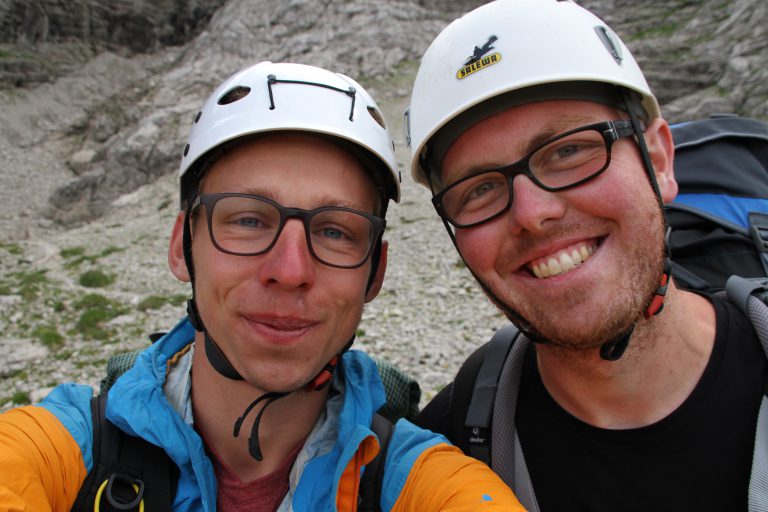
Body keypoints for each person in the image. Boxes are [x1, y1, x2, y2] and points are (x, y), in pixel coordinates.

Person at [0, 61, 524, 511]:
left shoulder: (418, 483)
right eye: (248, 220)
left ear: (375, 273)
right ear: (182, 245)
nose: (291, 269)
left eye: (335, 231)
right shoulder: (65, 447)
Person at [405, 1, 768, 511]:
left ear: (659, 161)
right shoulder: (445, 453)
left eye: (569, 150)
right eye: (480, 188)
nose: (532, 214)